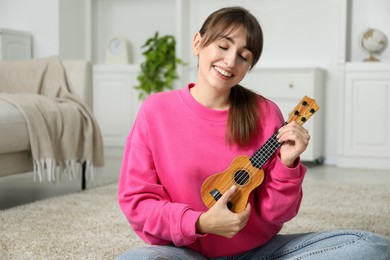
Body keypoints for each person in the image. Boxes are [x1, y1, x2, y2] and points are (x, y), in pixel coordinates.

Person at [117, 6, 390, 259]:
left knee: (371, 246)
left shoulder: (265, 114)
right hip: (185, 252)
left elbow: (275, 214)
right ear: (198, 43)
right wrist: (199, 222)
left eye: (243, 56)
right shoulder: (156, 110)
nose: (229, 61)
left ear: (249, 66)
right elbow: (137, 202)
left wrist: (287, 163)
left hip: (259, 252)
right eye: (223, 46)